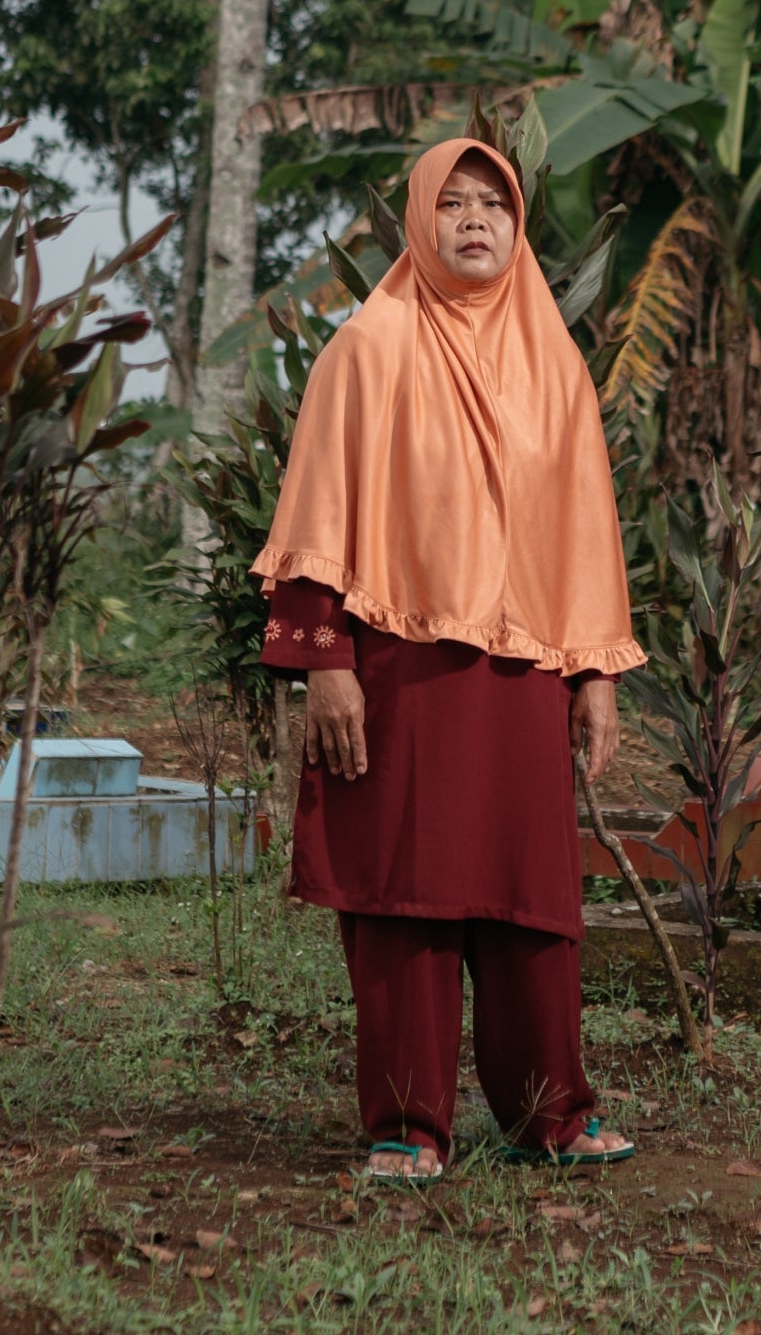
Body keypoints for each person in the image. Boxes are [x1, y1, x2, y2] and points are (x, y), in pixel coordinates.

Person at [255, 136, 643, 1184]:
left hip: (521, 675)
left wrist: (594, 670)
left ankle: (548, 1115)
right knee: (402, 899)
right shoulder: (368, 348)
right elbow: (314, 515)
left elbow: (580, 529)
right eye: (452, 204)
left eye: (495, 206)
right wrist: (325, 658)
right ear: (418, 221)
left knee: (531, 903)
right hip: (398, 670)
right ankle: (406, 1127)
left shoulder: (551, 358)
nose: (475, 221)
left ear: (518, 228)